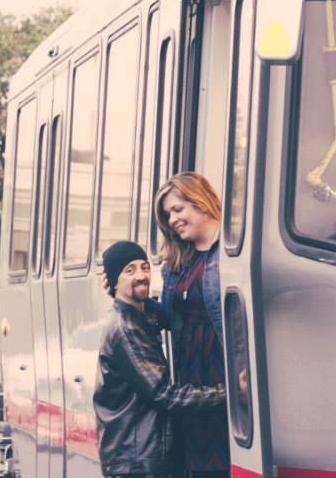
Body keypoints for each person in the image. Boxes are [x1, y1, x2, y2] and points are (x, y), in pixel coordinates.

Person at [94, 240, 225, 478]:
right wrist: (229, 394)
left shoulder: (138, 315)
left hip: (139, 459)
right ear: (114, 280)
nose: (141, 275)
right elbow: (164, 394)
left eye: (144, 267)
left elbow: (159, 313)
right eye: (129, 270)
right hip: (138, 464)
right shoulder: (126, 329)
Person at [154, 172, 229, 478]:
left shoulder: (229, 252)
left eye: (178, 209)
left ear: (200, 202)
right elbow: (169, 318)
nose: (172, 220)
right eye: (168, 214)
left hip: (221, 371)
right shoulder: (178, 261)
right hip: (190, 377)